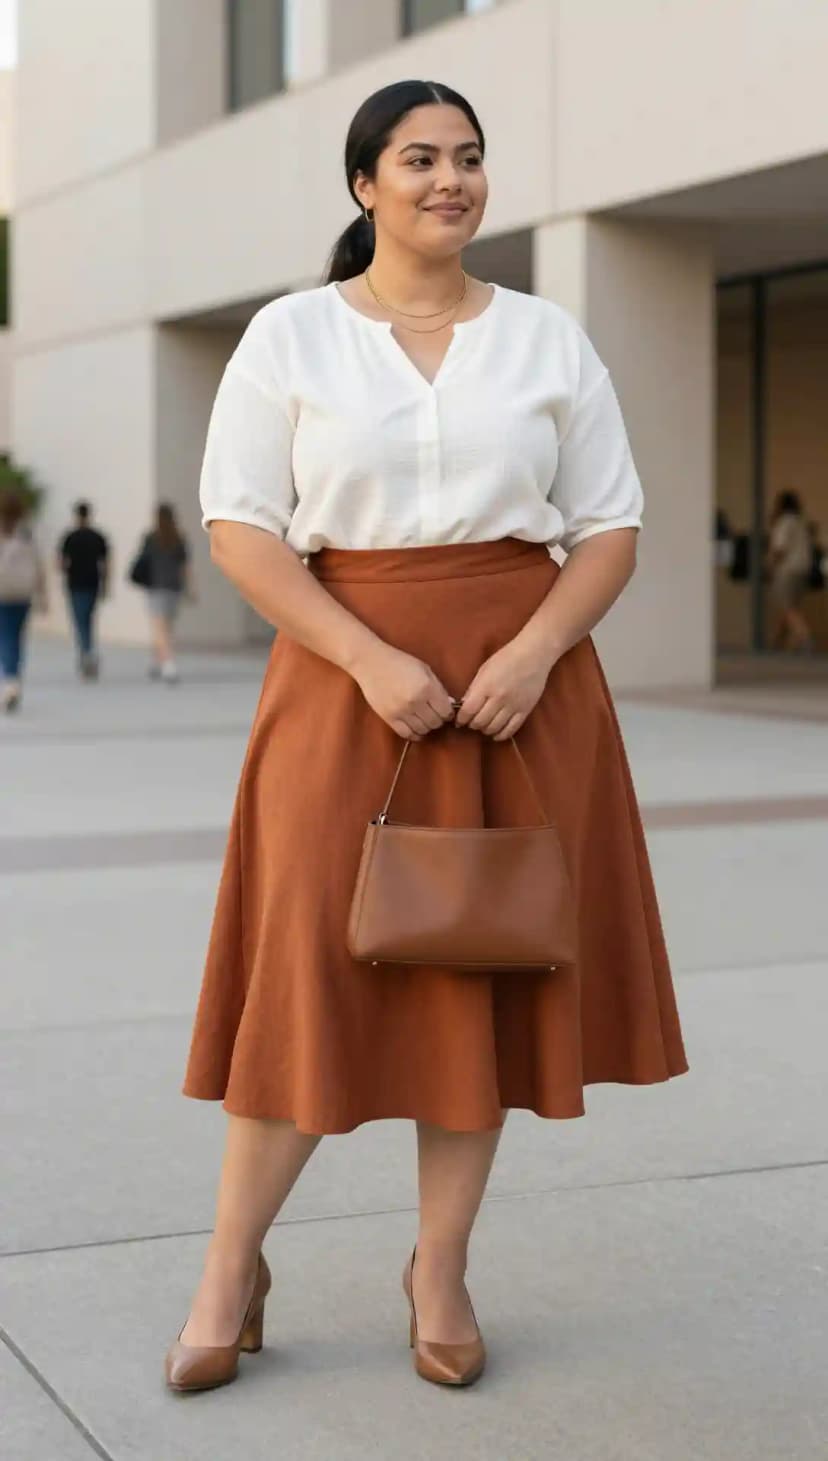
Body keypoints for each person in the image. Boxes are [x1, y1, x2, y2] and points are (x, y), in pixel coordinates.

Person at [165, 81, 688, 1395]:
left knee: (478, 976)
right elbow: (241, 526)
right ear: (366, 185)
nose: (449, 178)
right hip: (339, 689)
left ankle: (439, 1271)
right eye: (418, 158)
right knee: (306, 976)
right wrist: (366, 656)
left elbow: (610, 526)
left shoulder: (547, 337)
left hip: (524, 693)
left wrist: (535, 653)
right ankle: (230, 1268)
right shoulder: (291, 336)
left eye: (468, 157)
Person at [132, 503, 192, 682]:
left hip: (156, 587)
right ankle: (159, 660)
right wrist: (189, 588)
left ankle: (168, 664)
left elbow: (143, 560)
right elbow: (185, 567)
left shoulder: (151, 538)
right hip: (174, 588)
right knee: (167, 627)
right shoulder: (179, 538)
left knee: (159, 628)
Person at [0, 494, 47, 712]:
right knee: (17, 637)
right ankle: (14, 678)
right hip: (23, 593)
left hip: (3, 593)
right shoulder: (26, 534)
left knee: (5, 637)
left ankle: (10, 681)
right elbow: (38, 565)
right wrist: (42, 595)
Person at [57, 500, 109, 678]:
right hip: (93, 583)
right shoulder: (98, 537)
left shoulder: (70, 537)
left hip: (75, 584)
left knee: (80, 621)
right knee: (89, 619)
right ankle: (88, 652)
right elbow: (105, 563)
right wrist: (106, 584)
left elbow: (61, 563)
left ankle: (86, 653)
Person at [768, 490, 813, 650]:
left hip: (787, 570)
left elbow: (780, 548)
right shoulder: (801, 522)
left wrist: (769, 564)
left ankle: (805, 637)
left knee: (788, 607)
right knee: (790, 607)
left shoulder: (784, 522)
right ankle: (776, 643)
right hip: (803, 569)